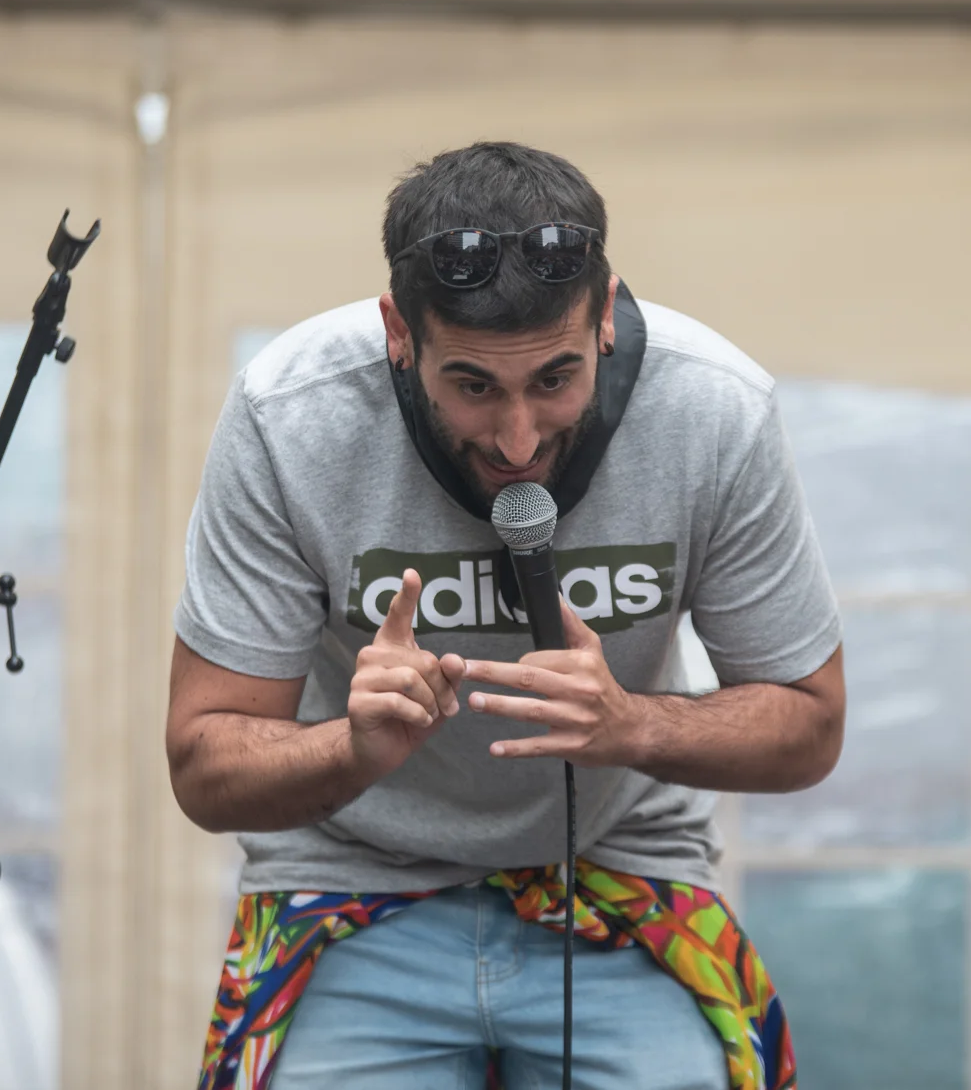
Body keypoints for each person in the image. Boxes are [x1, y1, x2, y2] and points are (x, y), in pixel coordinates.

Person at [167, 141, 844, 1090]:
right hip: (354, 874)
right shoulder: (290, 415)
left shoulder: (714, 408)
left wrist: (633, 725)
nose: (518, 441)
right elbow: (202, 763)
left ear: (605, 316)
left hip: (617, 866)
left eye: (555, 379)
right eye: (474, 387)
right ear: (400, 332)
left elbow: (812, 723)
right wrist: (352, 750)